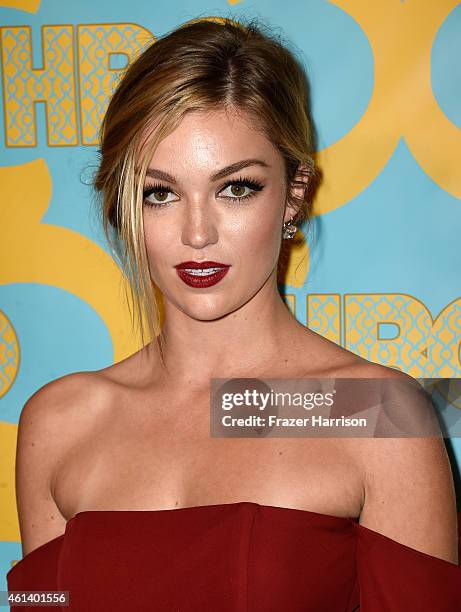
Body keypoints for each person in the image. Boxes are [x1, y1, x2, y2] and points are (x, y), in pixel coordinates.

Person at [7, 16, 461, 611]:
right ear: (124, 204)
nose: (198, 233)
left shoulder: (375, 413)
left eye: (236, 187)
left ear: (294, 192)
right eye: (160, 192)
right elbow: (45, 606)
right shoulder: (59, 422)